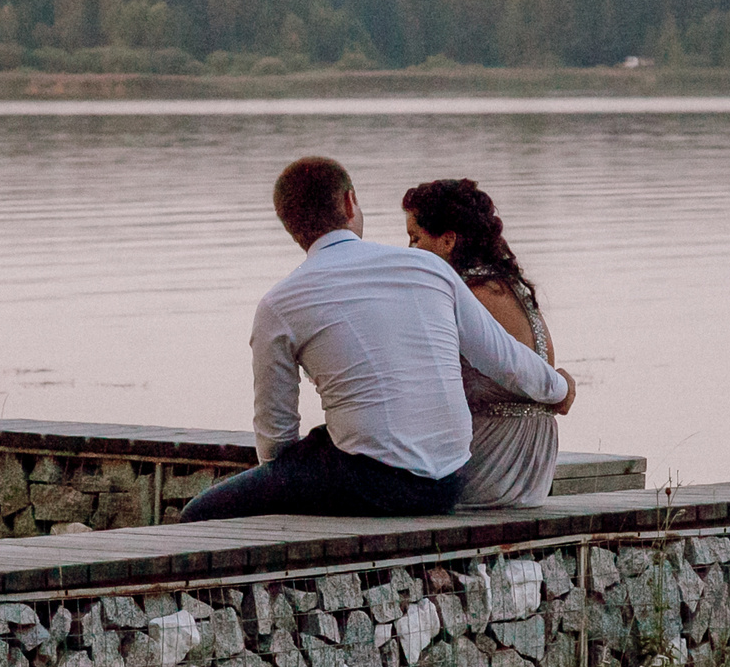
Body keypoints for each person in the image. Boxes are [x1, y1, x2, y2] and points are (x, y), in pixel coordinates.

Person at [181, 156, 574, 522]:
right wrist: (559, 389)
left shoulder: (279, 304)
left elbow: (276, 435)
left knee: (198, 515)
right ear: (350, 203)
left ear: (287, 223)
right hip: (449, 482)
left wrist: (286, 483)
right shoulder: (428, 268)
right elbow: (504, 360)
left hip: (372, 486)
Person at [400, 178, 561, 508]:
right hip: (535, 459)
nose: (410, 251)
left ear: (448, 240)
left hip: (494, 459)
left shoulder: (467, 296)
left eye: (415, 238)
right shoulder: (509, 287)